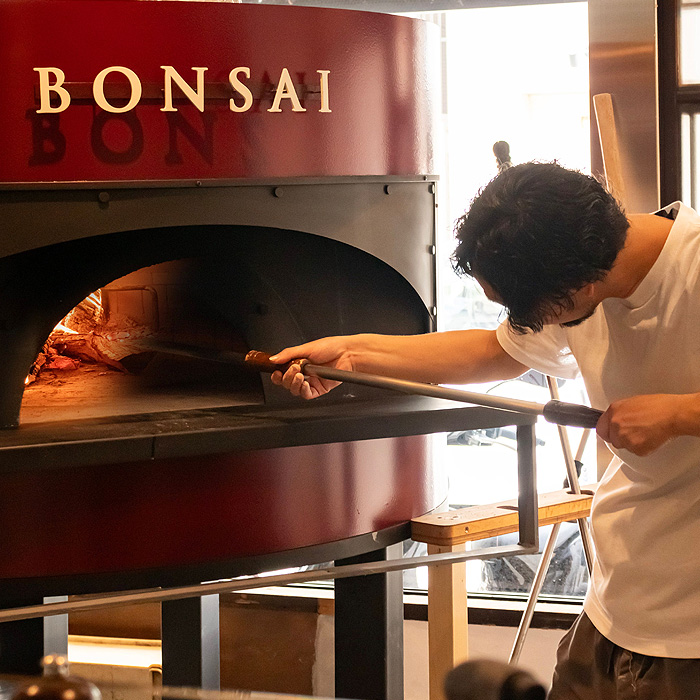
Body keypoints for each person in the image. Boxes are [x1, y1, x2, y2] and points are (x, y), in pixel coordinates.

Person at [269, 162, 700, 698]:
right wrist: (352, 353)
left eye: (521, 307)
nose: (518, 319)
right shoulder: (585, 276)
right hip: (617, 603)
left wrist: (680, 414)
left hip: (690, 634)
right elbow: (496, 350)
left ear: (578, 285)